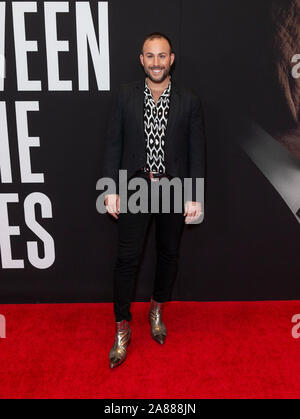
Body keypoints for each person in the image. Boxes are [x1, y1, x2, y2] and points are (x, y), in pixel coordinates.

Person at [101, 32, 206, 368]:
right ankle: (121, 328)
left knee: (169, 254)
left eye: (162, 56)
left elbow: (196, 152)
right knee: (126, 261)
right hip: (134, 187)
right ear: (141, 59)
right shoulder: (124, 96)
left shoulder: (189, 100)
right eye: (150, 56)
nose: (156, 62)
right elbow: (113, 143)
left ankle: (157, 310)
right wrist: (111, 189)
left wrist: (194, 195)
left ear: (171, 59)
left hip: (173, 188)